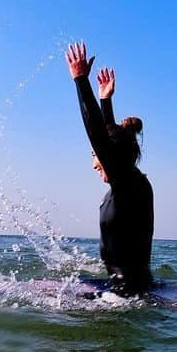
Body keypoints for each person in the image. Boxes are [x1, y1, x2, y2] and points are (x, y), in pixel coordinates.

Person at [65, 42, 154, 296]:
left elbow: (100, 137)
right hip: (132, 286)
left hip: (123, 295)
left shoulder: (127, 184)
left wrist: (81, 81)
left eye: (96, 154)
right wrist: (105, 100)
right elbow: (109, 139)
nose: (94, 163)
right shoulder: (133, 182)